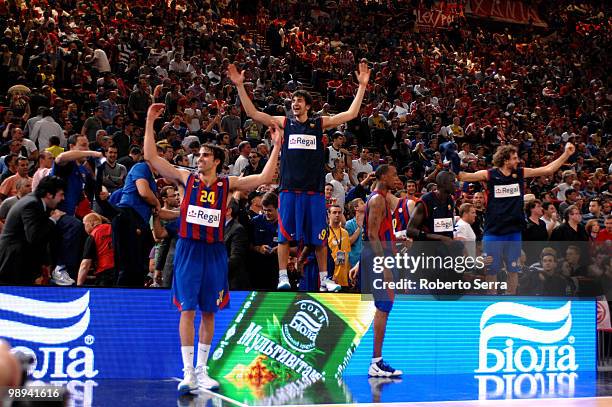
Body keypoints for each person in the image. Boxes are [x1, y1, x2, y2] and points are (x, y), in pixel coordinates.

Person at [143, 103, 281, 394]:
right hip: (189, 250)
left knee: (209, 311)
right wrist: (149, 122)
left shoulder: (227, 184)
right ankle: (188, 372)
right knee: (188, 310)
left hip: (215, 251)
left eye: (205, 155)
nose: (200, 158)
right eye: (199, 154)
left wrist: (277, 144)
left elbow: (265, 179)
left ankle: (203, 371)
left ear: (217, 160)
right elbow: (152, 157)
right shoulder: (185, 178)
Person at [229, 61, 371, 291]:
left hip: (313, 190)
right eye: (293, 101)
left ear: (308, 105)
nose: (295, 103)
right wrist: (239, 86)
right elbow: (253, 112)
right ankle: (283, 276)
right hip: (289, 189)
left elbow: (351, 113)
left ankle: (325, 278)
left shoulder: (318, 124)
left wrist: (362, 86)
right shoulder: (285, 124)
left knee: (319, 238)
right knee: (284, 236)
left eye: (299, 101)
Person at [457, 143, 575, 294]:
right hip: (494, 231)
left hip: (513, 231)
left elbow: (548, 169)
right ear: (505, 160)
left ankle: (510, 299)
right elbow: (464, 176)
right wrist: (453, 164)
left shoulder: (520, 173)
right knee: (491, 270)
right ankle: (491, 301)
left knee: (513, 270)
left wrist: (566, 154)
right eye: (514, 158)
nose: (517, 160)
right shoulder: (490, 174)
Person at [350, 164, 402, 377]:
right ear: (382, 177)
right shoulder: (378, 199)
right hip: (381, 258)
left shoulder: (381, 197)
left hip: (376, 256)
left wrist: (361, 263)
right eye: (394, 174)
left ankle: (376, 360)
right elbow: (372, 235)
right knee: (383, 305)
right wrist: (386, 265)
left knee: (383, 306)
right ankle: (376, 362)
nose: (396, 178)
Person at [0, 176, 65, 284]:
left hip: (20, 260)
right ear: (49, 194)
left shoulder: (35, 201)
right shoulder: (32, 204)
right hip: (13, 261)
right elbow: (34, 237)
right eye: (61, 194)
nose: (63, 198)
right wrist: (53, 220)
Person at [77, 212, 115, 286]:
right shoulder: (114, 228)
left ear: (92, 223)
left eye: (84, 224)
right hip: (120, 271)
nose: (84, 228)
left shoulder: (93, 235)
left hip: (105, 273)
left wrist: (79, 285)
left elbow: (85, 264)